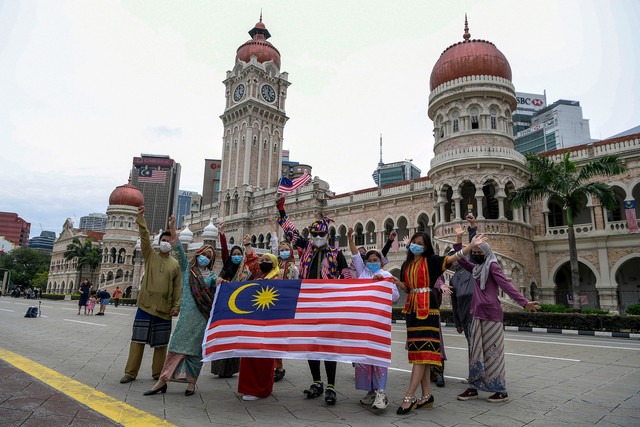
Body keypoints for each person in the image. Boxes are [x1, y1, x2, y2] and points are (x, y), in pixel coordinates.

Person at [396, 230, 487, 415]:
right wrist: (396, 281)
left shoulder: (433, 261)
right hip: (412, 310)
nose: (416, 245)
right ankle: (427, 395)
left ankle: (409, 396)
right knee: (418, 354)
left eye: (421, 243)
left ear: (426, 246)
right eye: (414, 242)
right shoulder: (406, 264)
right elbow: (407, 287)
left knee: (422, 352)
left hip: (427, 310)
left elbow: (454, 258)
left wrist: (468, 245)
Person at [452, 223, 540, 403]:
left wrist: (524, 302)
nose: (476, 255)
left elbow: (506, 285)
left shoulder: (492, 266)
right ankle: (473, 387)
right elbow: (460, 260)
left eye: (479, 253)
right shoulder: (476, 269)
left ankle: (500, 390)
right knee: (475, 352)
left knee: (493, 353)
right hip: (476, 314)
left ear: (486, 253)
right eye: (474, 252)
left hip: (492, 315)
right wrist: (459, 239)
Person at [276, 193, 350, 405]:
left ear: (327, 234)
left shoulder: (336, 254)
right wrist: (281, 210)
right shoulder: (305, 247)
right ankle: (317, 382)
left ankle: (331, 386)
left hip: (329, 304)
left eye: (320, 233)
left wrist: (345, 297)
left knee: (328, 346)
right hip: (307, 303)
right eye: (314, 233)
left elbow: (346, 276)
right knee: (311, 344)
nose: (317, 236)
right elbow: (289, 231)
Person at [144, 219, 223, 397]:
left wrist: (220, 283)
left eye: (209, 257)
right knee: (176, 347)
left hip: (202, 317)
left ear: (211, 260)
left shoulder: (211, 275)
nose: (205, 258)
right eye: (204, 254)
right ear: (197, 254)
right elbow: (179, 250)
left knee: (195, 351)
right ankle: (162, 381)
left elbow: (219, 291)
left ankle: (191, 383)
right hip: (187, 316)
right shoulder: (188, 269)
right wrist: (172, 228)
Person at [120, 206, 182, 384]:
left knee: (161, 344)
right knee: (137, 340)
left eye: (168, 240)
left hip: (164, 307)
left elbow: (178, 287)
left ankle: (157, 374)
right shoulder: (150, 256)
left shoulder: (175, 264)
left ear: (171, 243)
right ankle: (130, 373)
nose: (165, 242)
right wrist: (141, 219)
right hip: (145, 305)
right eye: (163, 239)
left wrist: (176, 305)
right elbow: (145, 237)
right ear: (158, 242)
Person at [347, 227, 403, 410]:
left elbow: (394, 297)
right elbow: (355, 254)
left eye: (375, 260)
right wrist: (350, 237)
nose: (372, 263)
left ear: (381, 262)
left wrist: (383, 283)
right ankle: (369, 391)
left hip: (379, 325)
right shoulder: (363, 273)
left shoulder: (386, 276)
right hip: (363, 323)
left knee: (378, 357)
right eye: (369, 261)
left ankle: (381, 392)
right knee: (364, 359)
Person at [237, 251, 279, 401]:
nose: (264, 262)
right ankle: (249, 387)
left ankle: (260, 389)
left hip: (267, 323)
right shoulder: (258, 277)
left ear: (274, 264)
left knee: (262, 356)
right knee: (249, 354)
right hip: (254, 320)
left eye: (268, 260)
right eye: (263, 259)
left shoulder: (276, 279)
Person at [210, 228, 251, 379]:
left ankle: (231, 368)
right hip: (224, 307)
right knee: (222, 337)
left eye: (239, 254)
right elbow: (224, 251)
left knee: (233, 337)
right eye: (234, 255)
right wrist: (222, 234)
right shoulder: (226, 268)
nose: (236, 257)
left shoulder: (245, 270)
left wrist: (247, 245)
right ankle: (220, 369)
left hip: (238, 308)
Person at [268, 216, 298, 382]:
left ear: (291, 251)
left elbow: (295, 286)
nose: (283, 251)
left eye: (286, 249)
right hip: (272, 302)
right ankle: (273, 365)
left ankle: (279, 366)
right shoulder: (275, 265)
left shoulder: (294, 268)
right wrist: (273, 228)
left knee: (278, 336)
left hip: (284, 304)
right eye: (282, 249)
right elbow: (273, 245)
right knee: (271, 336)